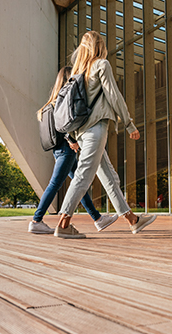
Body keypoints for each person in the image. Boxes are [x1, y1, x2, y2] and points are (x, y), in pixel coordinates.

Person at [54, 31, 156, 239]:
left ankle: (133, 220)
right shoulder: (101, 65)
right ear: (100, 46)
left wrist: (72, 137)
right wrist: (128, 124)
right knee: (83, 175)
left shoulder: (77, 73)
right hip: (95, 130)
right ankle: (63, 224)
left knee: (109, 176)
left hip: (82, 133)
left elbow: (71, 109)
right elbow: (114, 95)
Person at [30, 66, 117, 234]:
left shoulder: (50, 104)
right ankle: (36, 220)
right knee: (56, 184)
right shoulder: (61, 102)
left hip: (57, 149)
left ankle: (98, 219)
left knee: (79, 184)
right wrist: (71, 140)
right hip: (66, 149)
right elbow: (62, 126)